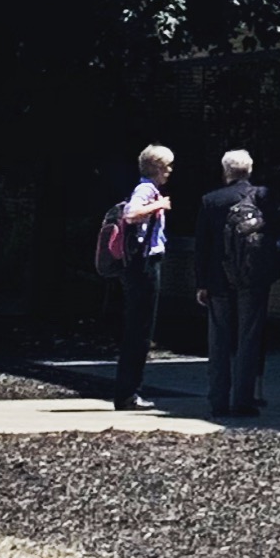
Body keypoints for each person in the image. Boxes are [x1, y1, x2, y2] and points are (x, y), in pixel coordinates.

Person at [194, 147, 275, 418]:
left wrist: (201, 282)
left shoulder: (210, 201)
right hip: (252, 279)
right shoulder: (262, 197)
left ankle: (218, 400)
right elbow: (272, 238)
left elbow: (202, 246)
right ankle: (243, 400)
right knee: (248, 339)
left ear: (225, 171)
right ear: (249, 170)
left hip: (218, 281)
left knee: (219, 340)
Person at [112, 144, 174, 411]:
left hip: (144, 264)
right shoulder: (146, 190)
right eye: (167, 166)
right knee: (140, 329)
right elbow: (131, 214)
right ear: (157, 168)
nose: (170, 171)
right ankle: (128, 393)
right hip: (144, 266)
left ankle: (129, 390)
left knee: (139, 328)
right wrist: (159, 205)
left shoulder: (148, 189)